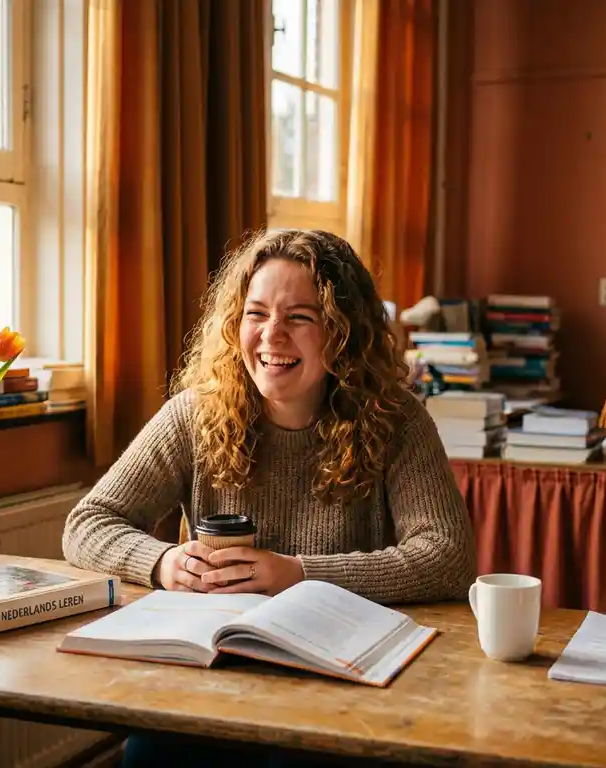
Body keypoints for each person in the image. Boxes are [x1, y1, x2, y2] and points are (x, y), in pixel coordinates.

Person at [62, 229, 475, 767]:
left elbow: (449, 555)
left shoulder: (396, 422)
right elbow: (86, 522)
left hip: (338, 678)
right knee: (148, 754)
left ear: (342, 332)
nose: (271, 336)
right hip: (216, 674)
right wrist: (162, 562)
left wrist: (298, 573)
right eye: (256, 314)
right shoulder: (195, 414)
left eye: (300, 317)